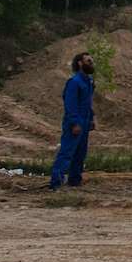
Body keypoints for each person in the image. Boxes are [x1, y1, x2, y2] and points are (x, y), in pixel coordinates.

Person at [50, 51, 95, 191]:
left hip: (85, 121)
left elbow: (87, 103)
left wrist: (92, 118)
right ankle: (56, 182)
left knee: (80, 153)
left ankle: (75, 180)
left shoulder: (89, 82)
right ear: (80, 63)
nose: (92, 63)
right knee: (67, 152)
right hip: (75, 122)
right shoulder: (74, 82)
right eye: (88, 61)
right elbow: (71, 104)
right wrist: (75, 122)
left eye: (92, 61)